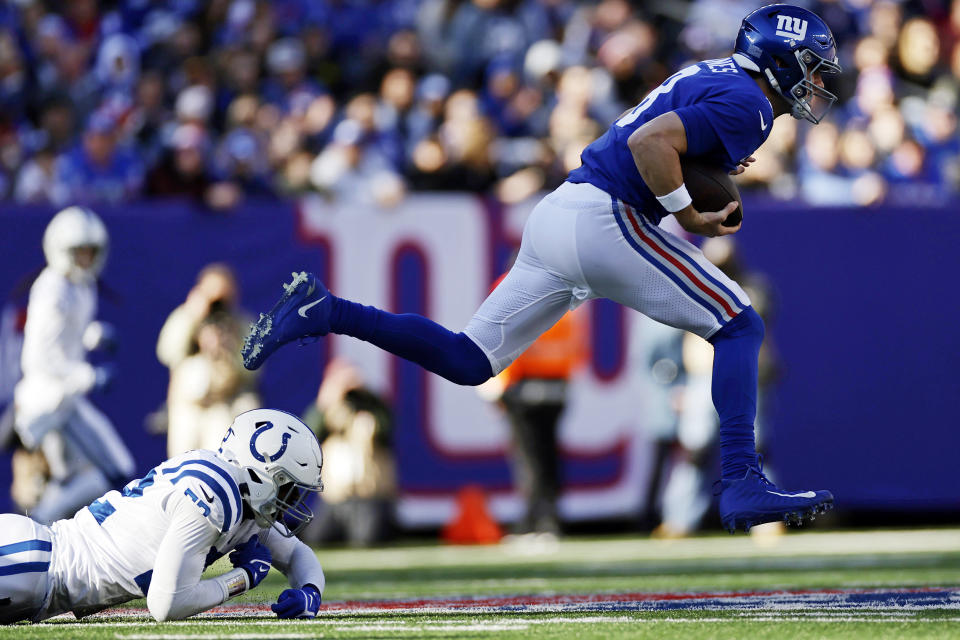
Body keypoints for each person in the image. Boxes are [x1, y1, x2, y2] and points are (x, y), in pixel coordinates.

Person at [241, 5, 839, 533]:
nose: (815, 83)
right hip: (606, 215)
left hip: (562, 210)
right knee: (739, 324)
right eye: (810, 65)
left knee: (468, 360)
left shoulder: (717, 76)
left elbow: (664, 141)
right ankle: (740, 479)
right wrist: (691, 215)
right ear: (780, 59)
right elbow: (651, 145)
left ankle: (327, 309)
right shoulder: (749, 102)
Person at [0, 409, 326, 624]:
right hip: (33, 565)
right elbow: (167, 604)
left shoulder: (241, 499)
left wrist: (310, 593)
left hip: (40, 575)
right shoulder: (218, 494)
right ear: (263, 473)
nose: (291, 501)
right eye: (288, 488)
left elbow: (297, 554)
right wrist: (243, 578)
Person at [14, 206, 135, 524]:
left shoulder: (81, 286)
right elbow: (41, 357)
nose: (86, 259)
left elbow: (70, 334)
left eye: (90, 251)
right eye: (78, 251)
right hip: (50, 400)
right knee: (115, 470)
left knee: (75, 478)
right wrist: (88, 375)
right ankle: (37, 521)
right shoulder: (53, 287)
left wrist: (94, 335)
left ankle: (42, 530)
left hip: (65, 397)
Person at [157, 264, 259, 457]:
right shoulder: (187, 316)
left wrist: (229, 346)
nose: (218, 302)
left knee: (218, 466)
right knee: (183, 470)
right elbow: (167, 352)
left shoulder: (242, 323)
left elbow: (253, 370)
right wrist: (192, 317)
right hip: (188, 408)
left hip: (222, 406)